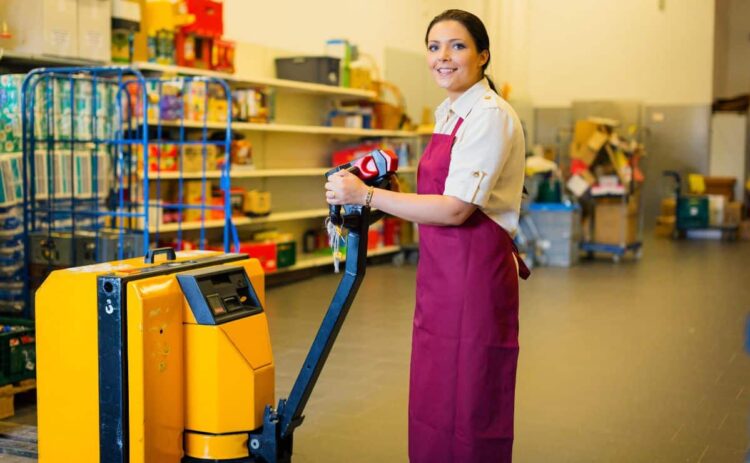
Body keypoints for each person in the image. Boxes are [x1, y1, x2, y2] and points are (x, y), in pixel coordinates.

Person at [325, 9, 529, 462]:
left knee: (472, 396)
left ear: (482, 56)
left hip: (474, 276)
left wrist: (368, 197)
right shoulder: (449, 112)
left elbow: (456, 209)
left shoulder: (488, 115)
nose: (443, 57)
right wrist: (389, 190)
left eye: (457, 46)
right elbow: (442, 195)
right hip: (441, 275)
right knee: (436, 391)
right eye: (434, 47)